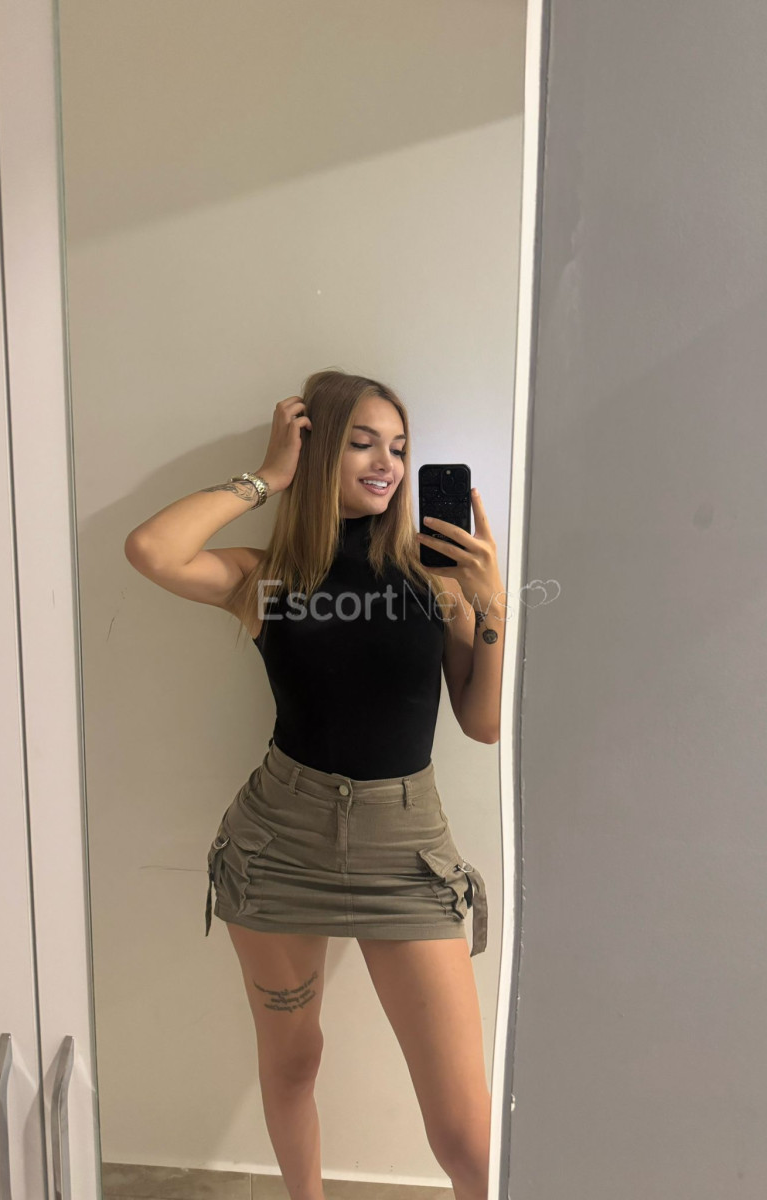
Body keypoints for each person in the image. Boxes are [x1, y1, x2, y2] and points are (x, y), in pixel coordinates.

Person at [124, 368, 507, 1200]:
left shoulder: (434, 579)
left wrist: (493, 609)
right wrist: (267, 477)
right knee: (295, 1062)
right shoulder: (267, 578)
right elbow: (152, 550)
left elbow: (483, 723)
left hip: (406, 854)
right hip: (278, 845)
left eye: (399, 447)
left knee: (466, 1134)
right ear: (317, 448)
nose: (387, 464)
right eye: (362, 443)